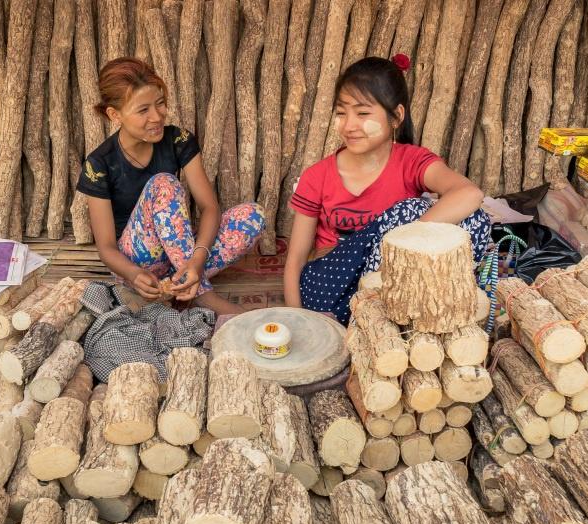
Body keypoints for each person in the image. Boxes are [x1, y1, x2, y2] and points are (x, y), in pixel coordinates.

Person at [284, 55, 491, 324]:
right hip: (330, 289)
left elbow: (470, 193)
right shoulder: (318, 175)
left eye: (362, 113)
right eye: (341, 113)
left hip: (394, 282)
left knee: (473, 219)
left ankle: (398, 308)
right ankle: (382, 310)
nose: (348, 125)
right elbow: (296, 259)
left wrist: (403, 243)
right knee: (409, 211)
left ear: (396, 117)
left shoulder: (411, 161)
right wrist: (299, 320)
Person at [77, 58, 264, 315]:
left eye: (160, 103)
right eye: (143, 110)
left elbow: (209, 208)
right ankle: (202, 296)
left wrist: (197, 262)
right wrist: (133, 274)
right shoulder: (99, 164)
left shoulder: (178, 140)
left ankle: (184, 282)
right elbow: (107, 247)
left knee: (253, 216)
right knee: (163, 183)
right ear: (114, 114)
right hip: (139, 263)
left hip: (182, 254)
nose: (157, 116)